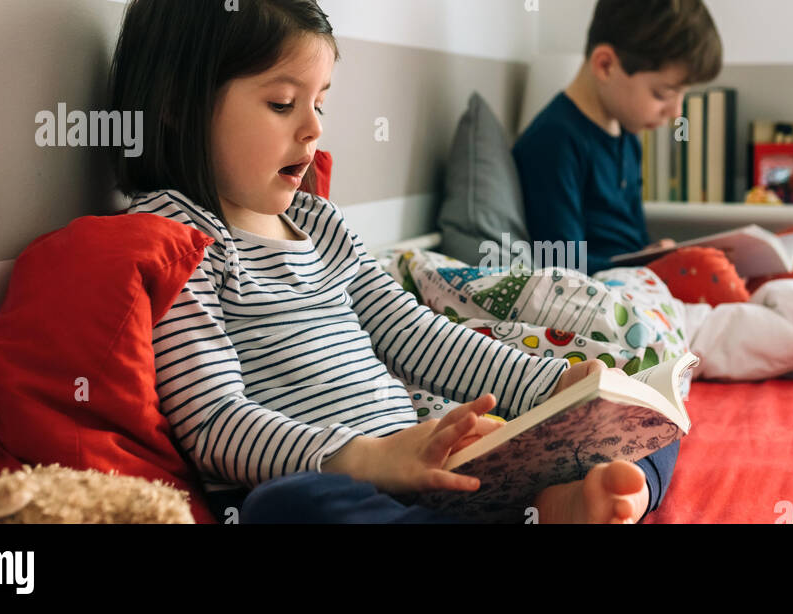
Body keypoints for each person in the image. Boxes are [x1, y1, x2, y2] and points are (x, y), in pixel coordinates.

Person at [107, 0, 678, 523]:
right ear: (179, 106)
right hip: (331, 478)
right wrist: (368, 458)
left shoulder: (320, 223)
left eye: (320, 102)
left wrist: (553, 386)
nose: (314, 128)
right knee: (293, 506)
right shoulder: (178, 241)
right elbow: (215, 424)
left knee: (647, 426)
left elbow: (416, 334)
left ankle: (578, 499)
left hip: (421, 459)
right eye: (282, 103)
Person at [513, 0, 724, 276]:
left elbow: (631, 239)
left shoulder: (628, 136)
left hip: (637, 283)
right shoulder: (554, 142)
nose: (676, 112)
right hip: (601, 292)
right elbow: (561, 265)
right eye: (663, 94)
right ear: (605, 65)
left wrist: (655, 253)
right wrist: (650, 264)